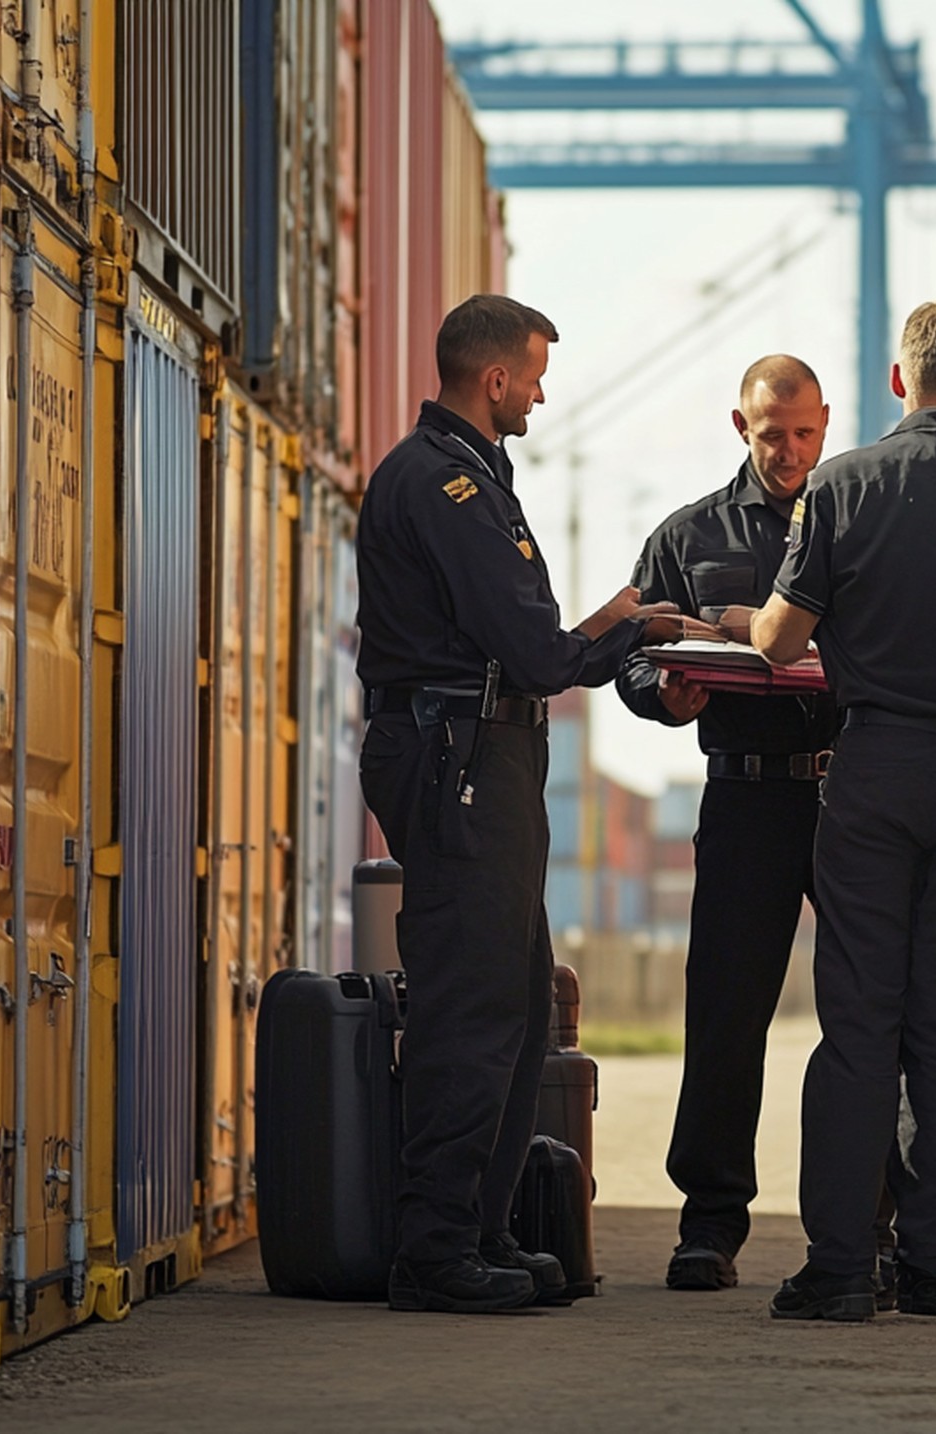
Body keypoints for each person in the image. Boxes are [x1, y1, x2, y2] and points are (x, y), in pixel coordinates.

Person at [355, 294, 711, 1314]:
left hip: (479, 753)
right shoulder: (447, 484)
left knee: (512, 1002)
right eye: (535, 374)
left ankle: (480, 1229)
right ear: (495, 378)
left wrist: (616, 623)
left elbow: (533, 641)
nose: (544, 393)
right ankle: (434, 1253)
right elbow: (536, 653)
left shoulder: (467, 478)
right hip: (458, 757)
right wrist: (634, 636)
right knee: (472, 1006)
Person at [742, 297, 936, 1322]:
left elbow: (780, 644)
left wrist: (756, 617)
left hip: (870, 772)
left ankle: (837, 1268)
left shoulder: (841, 483)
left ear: (898, 382)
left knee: (857, 1026)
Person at [614, 355, 843, 1292]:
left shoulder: (857, 514)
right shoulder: (686, 534)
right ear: (738, 426)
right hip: (743, 795)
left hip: (847, 797)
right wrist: (663, 697)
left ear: (824, 423)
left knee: (870, 1015)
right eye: (769, 434)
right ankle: (708, 1227)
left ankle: (876, 1224)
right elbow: (631, 651)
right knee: (725, 1014)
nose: (788, 452)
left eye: (802, 433)